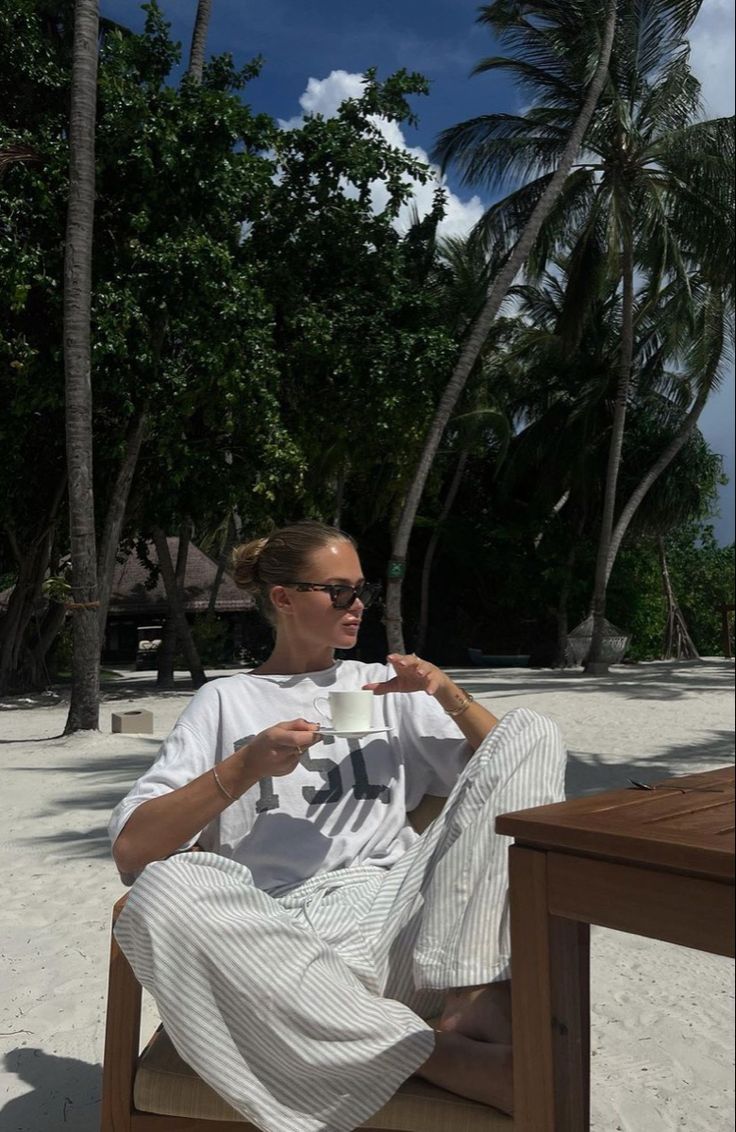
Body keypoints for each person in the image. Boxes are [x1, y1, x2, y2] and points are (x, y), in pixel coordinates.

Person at [109, 520, 566, 1132]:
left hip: (406, 919)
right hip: (286, 940)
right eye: (339, 592)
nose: (357, 607)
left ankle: (467, 1002)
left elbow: (513, 781)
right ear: (284, 598)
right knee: (162, 891)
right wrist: (245, 765)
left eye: (362, 592)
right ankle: (434, 1052)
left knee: (533, 728)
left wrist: (444, 692)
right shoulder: (227, 701)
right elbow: (134, 849)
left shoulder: (382, 687)